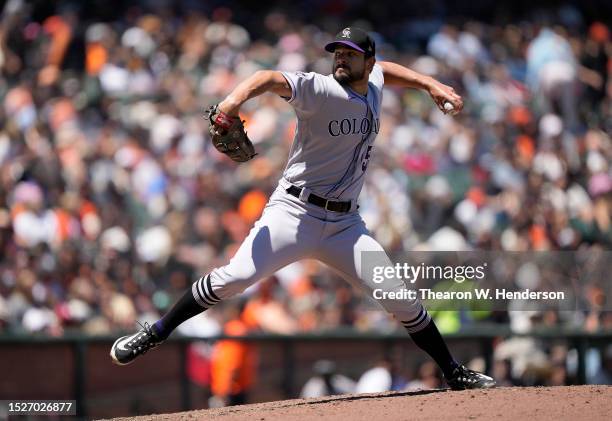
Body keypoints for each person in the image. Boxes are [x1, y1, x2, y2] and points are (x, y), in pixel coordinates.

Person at [110, 27, 496, 390]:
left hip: (346, 223)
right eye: (338, 53)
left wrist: (430, 83)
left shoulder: (374, 82)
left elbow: (387, 72)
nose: (341, 59)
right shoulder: (321, 89)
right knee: (235, 277)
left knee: (400, 297)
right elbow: (267, 77)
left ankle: (453, 372)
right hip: (294, 213)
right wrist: (230, 104)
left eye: (351, 54)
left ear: (369, 62)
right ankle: (155, 332)